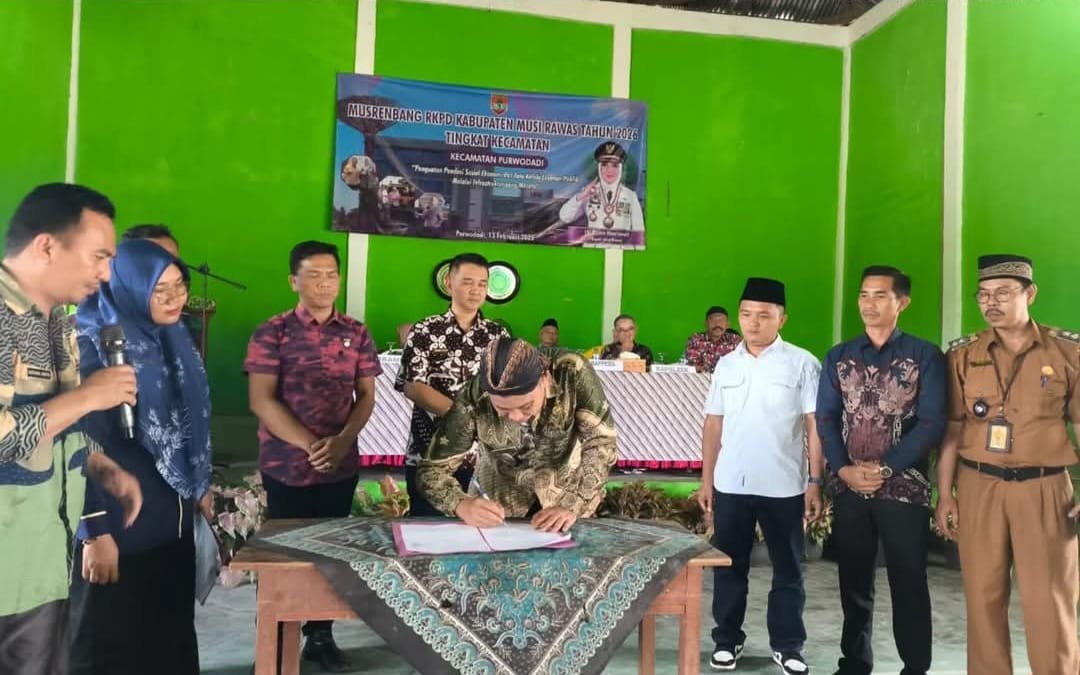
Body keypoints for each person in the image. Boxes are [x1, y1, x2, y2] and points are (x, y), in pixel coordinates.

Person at [0, 183, 142, 675]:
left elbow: (52, 423)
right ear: (47, 245)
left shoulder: (58, 322)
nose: (105, 273)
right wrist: (90, 396)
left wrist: (99, 465)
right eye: (98, 257)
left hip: (38, 563)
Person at [69, 239, 213, 675]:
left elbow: (191, 423)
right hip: (118, 531)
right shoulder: (96, 349)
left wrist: (199, 484)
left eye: (179, 286)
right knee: (110, 644)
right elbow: (78, 446)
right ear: (129, 288)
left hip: (171, 525)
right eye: (159, 290)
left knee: (167, 639)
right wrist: (94, 531)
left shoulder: (175, 341)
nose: (174, 299)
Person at [934, 254, 1080, 675]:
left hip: (1044, 487)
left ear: (1029, 294)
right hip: (980, 485)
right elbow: (953, 428)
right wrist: (945, 494)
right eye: (983, 295)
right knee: (982, 597)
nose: (990, 303)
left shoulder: (1067, 351)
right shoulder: (964, 354)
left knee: (1049, 599)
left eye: (1002, 293)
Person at [245, 240, 381, 672]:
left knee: (331, 552)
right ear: (294, 281)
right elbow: (261, 400)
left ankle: (320, 636)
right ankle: (275, 635)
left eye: (331, 275)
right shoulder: (272, 332)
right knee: (285, 554)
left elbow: (366, 396)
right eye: (314, 275)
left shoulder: (357, 332)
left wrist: (342, 441)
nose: (324, 283)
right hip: (286, 465)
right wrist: (311, 445)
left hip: (340, 465)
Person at [816, 266, 945, 675]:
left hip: (904, 488)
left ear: (902, 302)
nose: (868, 304)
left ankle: (915, 666)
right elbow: (825, 419)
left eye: (879, 295)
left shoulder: (924, 356)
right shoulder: (839, 356)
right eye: (863, 295)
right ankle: (855, 662)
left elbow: (932, 423)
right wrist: (843, 470)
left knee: (908, 580)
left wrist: (886, 468)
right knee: (853, 581)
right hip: (850, 486)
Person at [698, 277, 823, 675]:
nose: (753, 322)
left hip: (783, 485)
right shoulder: (727, 363)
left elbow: (814, 424)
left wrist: (815, 481)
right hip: (731, 482)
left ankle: (788, 646)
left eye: (764, 315)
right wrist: (706, 479)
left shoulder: (803, 363)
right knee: (729, 566)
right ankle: (726, 641)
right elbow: (713, 423)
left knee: (788, 569)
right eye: (746, 314)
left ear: (782, 319)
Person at [416, 339, 617, 532]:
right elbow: (431, 470)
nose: (516, 417)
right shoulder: (473, 396)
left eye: (526, 406)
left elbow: (601, 441)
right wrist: (461, 504)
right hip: (497, 509)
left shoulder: (572, 371)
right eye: (502, 410)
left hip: (566, 498)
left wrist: (573, 503)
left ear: (544, 379)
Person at [396, 252, 508, 517]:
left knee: (481, 528)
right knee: (428, 530)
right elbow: (412, 385)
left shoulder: (498, 335)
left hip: (482, 458)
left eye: (482, 283)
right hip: (431, 452)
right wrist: (464, 418)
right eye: (468, 282)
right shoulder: (425, 329)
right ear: (449, 282)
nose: (476, 290)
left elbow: (505, 389)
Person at [558, 141, 644, 234]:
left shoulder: (630, 196)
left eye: (614, 166)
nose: (609, 170)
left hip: (621, 244)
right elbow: (564, 217)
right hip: (592, 243)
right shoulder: (589, 192)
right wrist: (581, 196)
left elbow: (639, 232)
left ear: (620, 168)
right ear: (599, 168)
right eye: (604, 165)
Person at [684, 306, 742, 374]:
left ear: (727, 324)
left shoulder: (735, 341)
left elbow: (742, 366)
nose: (717, 324)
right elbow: (693, 367)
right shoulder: (696, 340)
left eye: (721, 321)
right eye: (713, 321)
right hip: (703, 379)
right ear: (706, 323)